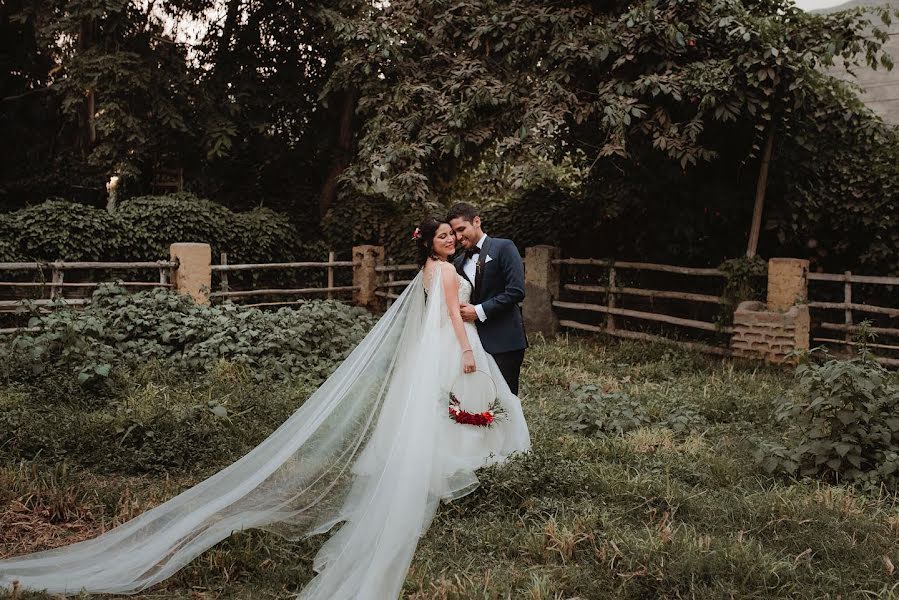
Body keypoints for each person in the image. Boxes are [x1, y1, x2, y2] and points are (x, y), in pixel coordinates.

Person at [0, 217, 531, 600]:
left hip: (434, 345)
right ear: (432, 244)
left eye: (453, 233)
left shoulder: (433, 269)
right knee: (457, 403)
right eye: (443, 234)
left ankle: (455, 459)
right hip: (453, 342)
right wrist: (464, 346)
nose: (452, 238)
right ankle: (466, 463)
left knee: (435, 408)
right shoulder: (441, 271)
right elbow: (453, 316)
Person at [447, 203, 528, 395]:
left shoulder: (504, 247)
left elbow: (516, 291)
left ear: (476, 221)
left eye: (461, 229)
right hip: (473, 344)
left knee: (505, 403)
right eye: (454, 233)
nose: (458, 237)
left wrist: (478, 310)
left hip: (505, 341)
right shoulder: (458, 263)